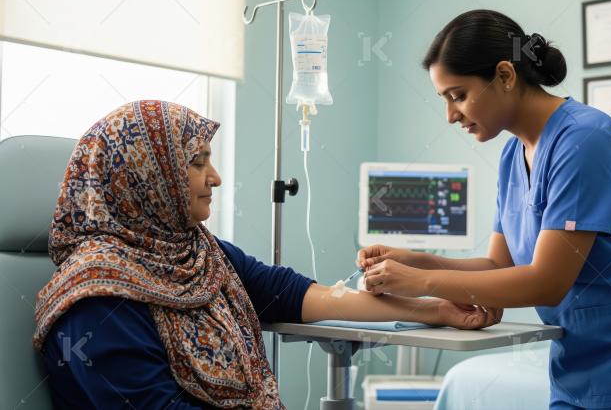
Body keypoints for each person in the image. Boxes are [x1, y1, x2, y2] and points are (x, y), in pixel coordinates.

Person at [33, 100, 499, 409]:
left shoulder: (198, 255)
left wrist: (436, 310)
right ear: (145, 178)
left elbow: (302, 295)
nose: (214, 177)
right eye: (197, 163)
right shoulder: (97, 299)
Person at [356, 10, 611, 409]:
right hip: (578, 365)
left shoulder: (585, 139)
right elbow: (497, 265)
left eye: (458, 95)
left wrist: (421, 283)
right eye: (445, 100)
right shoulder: (513, 154)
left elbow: (546, 281)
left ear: (505, 76)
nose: (451, 115)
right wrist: (416, 262)